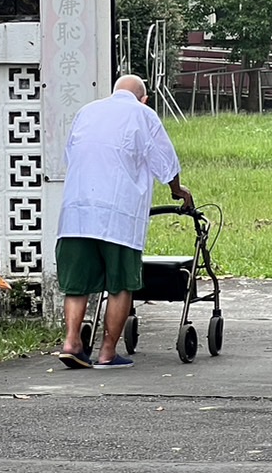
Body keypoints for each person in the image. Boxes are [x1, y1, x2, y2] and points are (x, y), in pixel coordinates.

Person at [53, 73, 192, 369]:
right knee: (119, 284)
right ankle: (106, 353)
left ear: (112, 91)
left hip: (77, 213)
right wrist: (178, 191)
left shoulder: (86, 112)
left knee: (77, 285)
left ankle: (71, 342)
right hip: (118, 215)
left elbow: (71, 154)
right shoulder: (143, 114)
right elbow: (165, 161)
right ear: (144, 99)